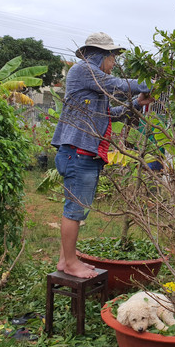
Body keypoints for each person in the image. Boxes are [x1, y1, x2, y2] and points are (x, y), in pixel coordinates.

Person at [51, 32, 154, 278]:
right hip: (78, 153)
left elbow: (111, 115)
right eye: (113, 57)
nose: (115, 62)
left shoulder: (94, 86)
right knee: (74, 210)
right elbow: (120, 85)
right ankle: (70, 263)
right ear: (101, 56)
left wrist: (138, 103)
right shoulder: (83, 70)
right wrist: (150, 82)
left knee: (76, 209)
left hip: (83, 153)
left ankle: (66, 260)